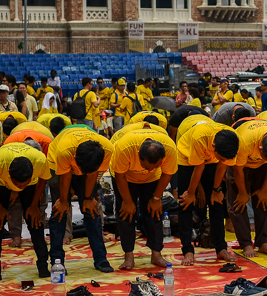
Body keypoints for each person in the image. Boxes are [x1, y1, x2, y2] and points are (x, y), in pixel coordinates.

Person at [47, 121, 115, 273]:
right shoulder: (65, 150)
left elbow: (92, 174)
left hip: (87, 164)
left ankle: (101, 258)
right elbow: (65, 177)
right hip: (58, 164)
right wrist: (64, 201)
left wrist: (88, 198)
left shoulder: (107, 149)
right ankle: (57, 261)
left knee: (91, 210)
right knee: (59, 211)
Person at [109, 122, 178, 270]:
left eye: (155, 166)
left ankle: (156, 254)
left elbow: (167, 173)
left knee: (154, 212)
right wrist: (127, 201)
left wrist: (156, 198)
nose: (149, 170)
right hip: (125, 176)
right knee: (126, 214)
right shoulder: (123, 147)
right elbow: (119, 175)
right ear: (138, 154)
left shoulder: (170, 148)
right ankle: (128, 256)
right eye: (147, 167)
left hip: (153, 180)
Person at [173, 115, 240, 263]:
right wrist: (191, 193)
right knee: (185, 203)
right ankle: (188, 251)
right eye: (220, 157)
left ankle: (221, 249)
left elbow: (222, 165)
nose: (223, 160)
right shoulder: (199, 137)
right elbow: (199, 167)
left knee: (216, 202)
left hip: (210, 159)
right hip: (186, 157)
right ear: (214, 146)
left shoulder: (231, 139)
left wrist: (216, 190)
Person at [0, 141, 50, 280]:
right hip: (0, 184)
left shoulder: (40, 160)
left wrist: (34, 205)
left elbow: (43, 178)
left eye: (23, 184)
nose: (20, 187)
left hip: (32, 185)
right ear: (8, 174)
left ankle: (43, 266)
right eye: (17, 184)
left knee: (35, 223)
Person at [226, 117, 267, 258]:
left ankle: (263, 242)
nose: (266, 160)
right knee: (238, 203)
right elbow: (237, 171)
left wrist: (264, 190)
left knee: (262, 200)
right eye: (265, 157)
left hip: (262, 167)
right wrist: (243, 193)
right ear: (260, 148)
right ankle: (246, 244)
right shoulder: (244, 141)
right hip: (239, 164)